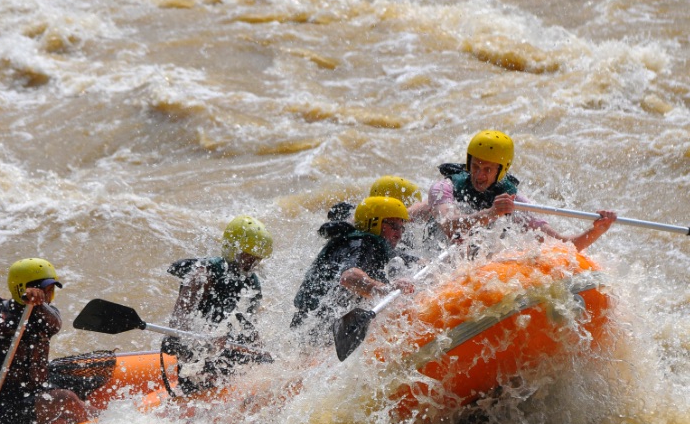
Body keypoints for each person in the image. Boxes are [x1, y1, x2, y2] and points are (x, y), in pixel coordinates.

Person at [0, 258, 97, 424]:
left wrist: (36, 305)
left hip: (33, 392)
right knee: (66, 399)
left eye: (51, 291)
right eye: (44, 291)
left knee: (70, 407)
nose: (48, 297)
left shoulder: (45, 313)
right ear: (21, 288)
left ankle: (104, 422)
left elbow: (55, 324)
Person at [428, 130, 617, 251]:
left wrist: (596, 231)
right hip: (431, 248)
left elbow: (563, 245)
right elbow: (449, 226)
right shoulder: (444, 188)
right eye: (476, 166)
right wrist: (492, 213)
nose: (479, 175)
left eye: (487, 169)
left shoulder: (514, 201)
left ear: (501, 171)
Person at [162, 215, 274, 395]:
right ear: (233, 250)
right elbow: (181, 317)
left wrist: (261, 352)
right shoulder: (203, 274)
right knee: (199, 364)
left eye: (257, 259)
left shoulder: (252, 283)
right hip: (195, 347)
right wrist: (193, 342)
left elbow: (249, 326)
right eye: (248, 257)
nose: (253, 263)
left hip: (225, 346)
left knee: (252, 358)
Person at [291, 196, 416, 346]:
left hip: (309, 329)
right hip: (316, 332)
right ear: (374, 223)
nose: (399, 234)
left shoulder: (368, 243)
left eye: (401, 228)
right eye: (394, 227)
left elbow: (407, 259)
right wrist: (387, 289)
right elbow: (349, 277)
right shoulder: (362, 244)